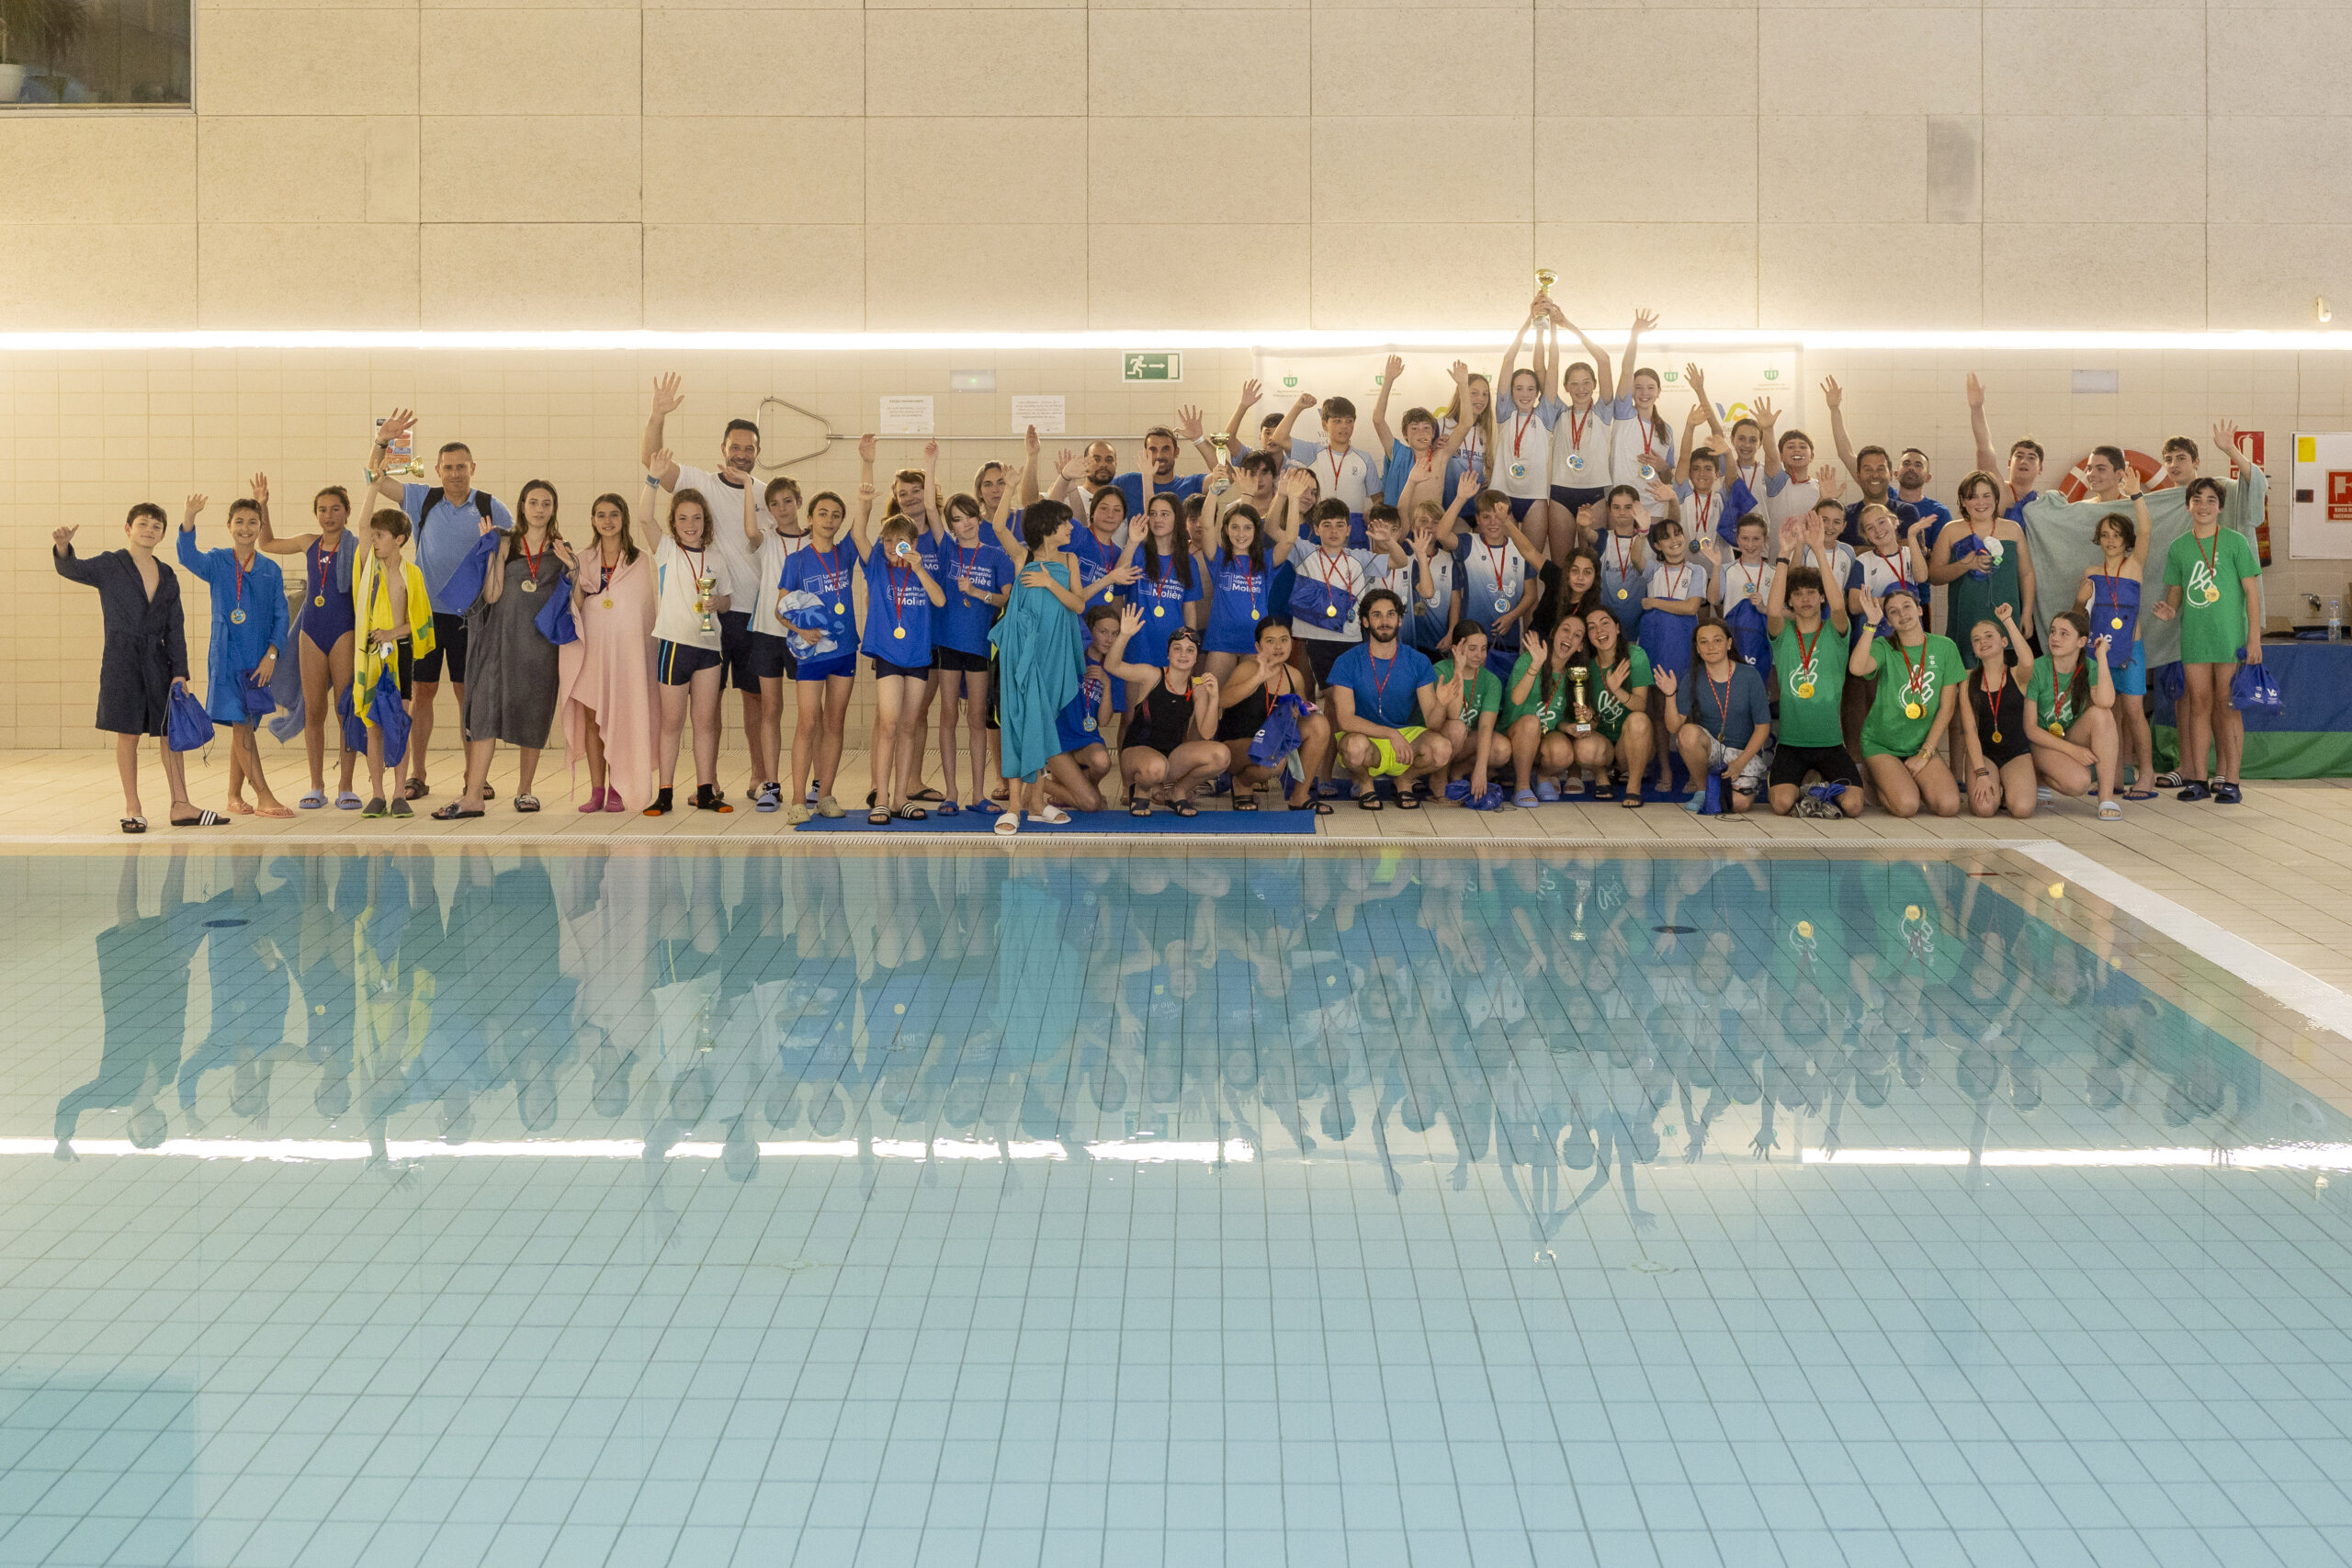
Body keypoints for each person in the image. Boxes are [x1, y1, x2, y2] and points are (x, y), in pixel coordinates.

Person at [361, 409, 513, 802]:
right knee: (422, 693)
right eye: (448, 467)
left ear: (473, 468)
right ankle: (418, 774)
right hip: (424, 620)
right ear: (438, 470)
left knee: (468, 696)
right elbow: (373, 478)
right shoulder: (421, 498)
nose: (455, 473)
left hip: (472, 619)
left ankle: (473, 777)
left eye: (462, 466)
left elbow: (512, 552)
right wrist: (383, 442)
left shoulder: (492, 507)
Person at [54, 503, 220, 831]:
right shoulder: (110, 564)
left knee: (169, 734)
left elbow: (176, 626)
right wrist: (62, 547)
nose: (149, 529)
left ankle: (181, 805)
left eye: (156, 526)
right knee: (128, 733)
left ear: (161, 534)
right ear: (128, 528)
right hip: (121, 658)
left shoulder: (168, 573)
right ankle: (133, 807)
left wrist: (179, 671)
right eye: (143, 524)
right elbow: (72, 569)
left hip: (158, 659)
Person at [641, 374, 770, 801]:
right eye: (735, 447)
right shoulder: (702, 483)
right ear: (724, 449)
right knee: (706, 705)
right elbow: (652, 461)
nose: (742, 454)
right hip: (707, 619)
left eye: (749, 448)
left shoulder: (766, 495)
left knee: (754, 699)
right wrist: (658, 415)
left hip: (750, 611)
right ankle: (707, 781)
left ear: (757, 453)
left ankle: (757, 776)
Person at [436, 479, 571, 819]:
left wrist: (574, 569)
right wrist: (491, 551)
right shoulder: (506, 542)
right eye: (533, 502)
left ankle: (525, 791)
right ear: (522, 505)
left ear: (554, 509)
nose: (539, 509)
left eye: (546, 504)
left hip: (538, 646)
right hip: (498, 641)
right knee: (484, 713)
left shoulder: (560, 550)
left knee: (533, 713)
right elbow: (492, 595)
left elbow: (575, 600)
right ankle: (473, 796)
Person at [176, 493, 292, 818]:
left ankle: (233, 795)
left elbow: (281, 616)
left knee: (247, 725)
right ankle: (264, 796)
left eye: (252, 522)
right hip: (227, 659)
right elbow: (187, 556)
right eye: (239, 522)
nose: (245, 528)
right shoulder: (217, 562)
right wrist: (189, 516)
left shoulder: (270, 570)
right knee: (241, 724)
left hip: (257, 663)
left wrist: (272, 655)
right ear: (228, 526)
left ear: (261, 526)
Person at [2154, 472, 2264, 803]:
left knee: (2227, 705)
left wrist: (2254, 639)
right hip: (2196, 639)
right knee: (2198, 705)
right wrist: (2170, 611)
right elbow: (2175, 593)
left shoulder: (2235, 542)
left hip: (2230, 639)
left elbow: (2252, 594)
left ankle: (2232, 780)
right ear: (2188, 506)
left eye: (2211, 500)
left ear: (2220, 507)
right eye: (2197, 500)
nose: (2203, 506)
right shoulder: (2179, 548)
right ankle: (2197, 779)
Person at [852, 459, 950, 825]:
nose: (895, 546)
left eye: (901, 542)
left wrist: (920, 567)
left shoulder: (919, 569)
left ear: (913, 542)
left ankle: (901, 796)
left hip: (918, 656)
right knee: (890, 723)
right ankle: (880, 796)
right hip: (888, 656)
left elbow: (940, 601)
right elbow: (860, 534)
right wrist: (864, 494)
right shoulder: (875, 562)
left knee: (909, 725)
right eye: (889, 541)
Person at [254, 474, 360, 809]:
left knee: (346, 711)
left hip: (344, 630)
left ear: (347, 512)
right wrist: (263, 506)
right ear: (316, 514)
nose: (329, 515)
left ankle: (346, 785)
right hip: (311, 632)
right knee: (314, 710)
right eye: (323, 510)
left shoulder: (357, 547)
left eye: (335, 509)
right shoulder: (307, 542)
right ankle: (316, 784)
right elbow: (266, 544)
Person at [990, 499, 1091, 835]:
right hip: (1023, 654)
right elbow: (998, 527)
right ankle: (1014, 807)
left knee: (1042, 726)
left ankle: (1036, 805)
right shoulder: (1024, 557)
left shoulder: (1069, 559)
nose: (1071, 527)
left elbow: (1078, 604)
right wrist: (1011, 489)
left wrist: (1051, 583)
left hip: (1055, 653)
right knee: (1021, 723)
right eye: (1065, 522)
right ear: (1048, 527)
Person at [558, 491, 659, 814]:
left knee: (621, 717)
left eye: (613, 514)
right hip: (592, 651)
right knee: (592, 718)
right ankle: (597, 789)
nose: (607, 521)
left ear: (624, 518)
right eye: (600, 515)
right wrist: (572, 572)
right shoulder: (584, 558)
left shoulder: (641, 560)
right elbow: (575, 605)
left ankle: (619, 787)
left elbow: (647, 613)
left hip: (627, 656)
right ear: (592, 520)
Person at [644, 464, 732, 818]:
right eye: (683, 519)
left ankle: (705, 790)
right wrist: (652, 479)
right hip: (674, 646)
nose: (690, 525)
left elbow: (726, 600)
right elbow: (643, 517)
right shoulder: (666, 550)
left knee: (706, 722)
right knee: (671, 723)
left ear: (705, 522)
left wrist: (718, 603)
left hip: (709, 649)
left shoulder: (717, 558)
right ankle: (664, 792)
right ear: (674, 522)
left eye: (696, 518)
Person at [1764, 523, 1863, 818]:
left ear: (1821, 597)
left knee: (1855, 806)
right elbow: (1771, 612)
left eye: (1811, 593)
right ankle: (1812, 787)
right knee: (1781, 803)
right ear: (1790, 601)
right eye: (1797, 594)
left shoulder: (1835, 632)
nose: (1805, 599)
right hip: (1791, 744)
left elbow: (1839, 607)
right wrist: (1783, 554)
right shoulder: (1783, 635)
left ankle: (1813, 787)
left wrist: (1819, 550)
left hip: (1831, 743)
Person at [775, 488, 860, 823]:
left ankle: (825, 795)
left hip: (844, 650)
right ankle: (798, 799)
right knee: (808, 721)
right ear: (809, 519)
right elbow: (780, 610)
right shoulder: (796, 561)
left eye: (836, 514)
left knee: (835, 722)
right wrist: (799, 630)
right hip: (812, 654)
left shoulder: (846, 553)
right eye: (822, 513)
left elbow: (862, 516)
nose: (829, 519)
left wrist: (866, 467)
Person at [1328, 589, 1453, 807]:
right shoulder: (1346, 661)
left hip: (1406, 739)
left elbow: (1433, 724)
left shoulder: (1418, 661)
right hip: (1363, 736)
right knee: (1354, 749)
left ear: (1400, 621)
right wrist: (1390, 734)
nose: (1384, 621)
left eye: (1390, 614)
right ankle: (1366, 783)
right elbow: (1345, 720)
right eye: (1377, 615)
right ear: (1365, 622)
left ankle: (1404, 780)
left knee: (1442, 749)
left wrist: (1441, 703)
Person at [933, 491, 1014, 817]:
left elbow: (1007, 599)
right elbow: (929, 506)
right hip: (949, 643)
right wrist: (930, 463)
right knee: (948, 716)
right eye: (957, 519)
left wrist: (978, 592)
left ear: (979, 518)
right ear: (950, 525)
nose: (965, 523)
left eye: (969, 516)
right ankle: (951, 792)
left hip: (981, 646)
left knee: (977, 719)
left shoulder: (997, 555)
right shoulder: (948, 550)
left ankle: (979, 793)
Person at [1101, 613, 1229, 818]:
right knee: (1156, 767)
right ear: (1168, 654)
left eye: (1190, 650)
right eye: (1177, 649)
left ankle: (1177, 791)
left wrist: (1214, 698)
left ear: (1196, 657)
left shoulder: (1197, 688)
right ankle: (1141, 790)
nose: (1183, 654)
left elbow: (1206, 733)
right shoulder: (1151, 675)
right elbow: (1111, 666)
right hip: (1136, 754)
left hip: (1171, 757)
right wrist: (1124, 635)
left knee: (1221, 755)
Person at [1850, 586, 1962, 818]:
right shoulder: (1884, 647)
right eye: (1893, 612)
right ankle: (1874, 778)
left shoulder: (1945, 647)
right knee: (1907, 806)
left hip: (1920, 743)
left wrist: (1926, 753)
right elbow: (1857, 668)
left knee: (1949, 806)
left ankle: (1905, 778)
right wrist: (1871, 623)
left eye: (1907, 607)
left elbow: (1947, 707)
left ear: (1920, 610)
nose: (1902, 614)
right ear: (1889, 621)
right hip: (1882, 744)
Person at [352, 507, 435, 818]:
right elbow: (361, 524)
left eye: (381, 536)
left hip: (399, 654)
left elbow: (421, 622)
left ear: (398, 539)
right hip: (372, 655)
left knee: (399, 724)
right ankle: (377, 794)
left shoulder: (411, 574)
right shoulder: (367, 568)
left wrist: (391, 632)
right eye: (372, 536)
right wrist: (374, 481)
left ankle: (400, 793)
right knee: (373, 726)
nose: (374, 541)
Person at [2074, 489, 2155, 800]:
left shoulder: (2135, 566)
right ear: (2098, 538)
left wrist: (2136, 495)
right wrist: (2079, 601)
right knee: (2107, 713)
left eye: (2117, 535)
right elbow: (2079, 616)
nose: (2110, 540)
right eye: (2105, 535)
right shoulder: (2091, 574)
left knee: (2134, 710)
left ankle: (2145, 772)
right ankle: (2113, 775)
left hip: (2130, 650)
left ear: (2127, 540)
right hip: (2098, 654)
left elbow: (2147, 530)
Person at [1213, 615, 1331, 814]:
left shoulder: (1294, 675)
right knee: (1273, 760)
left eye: (1284, 640)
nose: (1278, 646)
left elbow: (1303, 713)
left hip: (1274, 744)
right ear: (1258, 647)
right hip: (1238, 747)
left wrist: (1299, 712)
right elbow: (1222, 701)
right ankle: (1241, 782)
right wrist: (1258, 678)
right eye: (1270, 641)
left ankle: (1299, 796)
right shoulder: (1247, 669)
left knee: (1319, 724)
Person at [744, 476, 808, 811]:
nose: (782, 509)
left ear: (799, 500)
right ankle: (770, 783)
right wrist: (745, 486)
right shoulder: (767, 539)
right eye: (774, 504)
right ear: (768, 510)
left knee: (811, 714)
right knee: (771, 709)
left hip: (805, 636)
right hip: (768, 633)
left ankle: (813, 783)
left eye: (787, 500)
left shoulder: (816, 539)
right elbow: (750, 532)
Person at [1663, 618, 1770, 814]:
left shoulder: (1749, 676)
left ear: (1729, 644)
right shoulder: (1693, 676)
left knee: (1739, 805)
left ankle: (1729, 787)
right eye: (1703, 642)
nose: (1710, 647)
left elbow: (1763, 727)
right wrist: (1670, 695)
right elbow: (1673, 727)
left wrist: (1739, 763)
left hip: (1742, 754)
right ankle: (1704, 791)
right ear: (1697, 648)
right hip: (1712, 750)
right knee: (1687, 732)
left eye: (1717, 640)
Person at [1931, 469, 2036, 670]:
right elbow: (1934, 576)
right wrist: (1965, 565)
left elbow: (2026, 573)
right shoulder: (1951, 531)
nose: (1981, 503)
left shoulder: (2013, 529)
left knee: (2008, 681)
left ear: (1996, 499)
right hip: (1966, 618)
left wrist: (2027, 612)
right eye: (1973, 497)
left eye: (1986, 496)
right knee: (1968, 682)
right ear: (1962, 501)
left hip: (2006, 619)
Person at [2028, 609, 2123, 821]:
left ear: (2081, 642)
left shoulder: (2088, 667)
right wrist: (2072, 750)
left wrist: (2101, 657)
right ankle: (2036, 776)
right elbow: (2030, 729)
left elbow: (2107, 702)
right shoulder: (2037, 668)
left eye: (2064, 633)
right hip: (2037, 743)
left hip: (2064, 736)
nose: (2055, 638)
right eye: (2053, 631)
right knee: (2078, 782)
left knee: (2103, 715)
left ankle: (2106, 798)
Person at [1539, 300, 1618, 550]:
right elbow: (1550, 367)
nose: (1581, 389)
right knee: (1562, 564)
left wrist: (1567, 324)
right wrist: (1552, 328)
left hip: (1595, 492)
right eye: (1574, 383)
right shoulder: (1558, 412)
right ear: (1566, 387)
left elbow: (1603, 360)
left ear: (1594, 384)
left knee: (1592, 562)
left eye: (1586, 382)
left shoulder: (1604, 412)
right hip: (1561, 491)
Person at [1957, 605, 2043, 820]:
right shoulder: (1968, 680)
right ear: (1974, 649)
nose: (1982, 641)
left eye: (1988, 636)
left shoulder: (2017, 675)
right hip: (1984, 754)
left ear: (2004, 642)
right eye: (1976, 640)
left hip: (2016, 752)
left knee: (2022, 810)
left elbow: (2028, 660)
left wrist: (2007, 621)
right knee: (1983, 809)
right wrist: (1981, 773)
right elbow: (1970, 731)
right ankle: (1996, 784)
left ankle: (2008, 787)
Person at [1119, 490, 1204, 699]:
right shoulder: (1138, 551)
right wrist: (1131, 542)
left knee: (1166, 716)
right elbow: (1118, 579)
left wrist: (1190, 645)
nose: (1157, 519)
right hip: (1138, 643)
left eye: (1165, 514)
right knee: (1132, 717)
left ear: (1177, 519)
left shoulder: (1187, 560)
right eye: (1153, 513)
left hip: (1173, 647)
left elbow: (1189, 608)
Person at [1455, 490, 1545, 682]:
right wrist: (1461, 497)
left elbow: (1530, 595)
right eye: (1486, 517)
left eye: (1499, 517)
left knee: (1500, 695)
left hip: (1507, 638)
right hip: (1472, 636)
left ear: (1508, 517)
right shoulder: (1469, 543)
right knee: (1470, 692)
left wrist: (1512, 617)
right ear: (1477, 519)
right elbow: (1442, 533)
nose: (1493, 522)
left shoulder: (1522, 549)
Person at [1271, 392, 1383, 539]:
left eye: (1349, 421)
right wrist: (1298, 407)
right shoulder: (1313, 452)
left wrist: (1373, 512)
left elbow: (1378, 499)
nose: (1344, 426)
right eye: (1337, 421)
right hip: (1318, 524)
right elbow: (1279, 438)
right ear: (1324, 425)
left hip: (1353, 527)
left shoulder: (1365, 459)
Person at [1577, 607, 1654, 807]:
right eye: (1591, 627)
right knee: (1584, 747)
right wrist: (1588, 717)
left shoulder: (1635, 656)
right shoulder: (1585, 665)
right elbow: (1592, 719)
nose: (1599, 630)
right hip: (1603, 742)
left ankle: (1633, 786)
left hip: (1630, 743)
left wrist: (1616, 690)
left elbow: (1640, 705)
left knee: (1638, 720)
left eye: (1605, 623)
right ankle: (1601, 773)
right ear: (1588, 637)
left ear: (1618, 628)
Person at [1489, 310, 1559, 526]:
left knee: (1532, 559)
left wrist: (1552, 328)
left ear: (1538, 393)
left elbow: (1553, 366)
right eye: (1519, 388)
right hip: (1501, 495)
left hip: (1535, 497)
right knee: (1500, 557)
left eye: (1530, 389)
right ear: (1511, 392)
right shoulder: (1505, 413)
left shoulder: (1545, 415)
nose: (1525, 394)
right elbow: (1508, 359)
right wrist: (1529, 321)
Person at [1432, 623, 1506, 808]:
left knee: (1501, 749)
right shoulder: (1441, 670)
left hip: (1464, 744)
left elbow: (1485, 727)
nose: (1479, 655)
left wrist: (1481, 769)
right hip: (1436, 742)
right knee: (1456, 727)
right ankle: (1438, 777)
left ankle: (1459, 771)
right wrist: (1458, 671)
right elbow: (1453, 714)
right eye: (1472, 649)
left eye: (1483, 649)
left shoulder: (1491, 681)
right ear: (1455, 648)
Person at [1603, 310, 1669, 515]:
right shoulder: (1624, 414)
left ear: (1658, 392)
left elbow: (1668, 479)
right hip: (1622, 507)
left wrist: (1663, 467)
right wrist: (1634, 336)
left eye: (1650, 388)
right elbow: (1626, 370)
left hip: (1655, 507)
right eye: (1638, 387)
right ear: (1631, 391)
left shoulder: (1666, 430)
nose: (1644, 393)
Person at [1964, 373, 2045, 520]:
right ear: (2009, 463)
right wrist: (1977, 408)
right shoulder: (1999, 490)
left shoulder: (2043, 503)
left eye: (2031, 458)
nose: (2024, 461)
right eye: (2019, 456)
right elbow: (1984, 448)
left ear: (2040, 468)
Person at [1707, 515, 1774, 681]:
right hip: (1734, 642)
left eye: (1756, 539)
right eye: (1744, 538)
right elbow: (1713, 599)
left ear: (1766, 540)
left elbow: (1782, 611)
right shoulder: (1726, 569)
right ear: (1737, 539)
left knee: (1761, 690)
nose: (1750, 545)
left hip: (1765, 643)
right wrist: (1716, 567)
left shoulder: (1775, 573)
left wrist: (1764, 608)